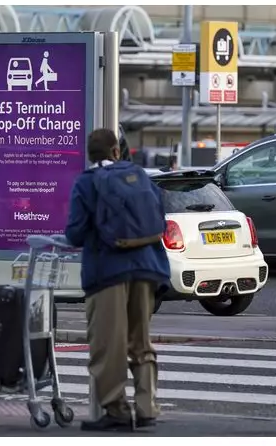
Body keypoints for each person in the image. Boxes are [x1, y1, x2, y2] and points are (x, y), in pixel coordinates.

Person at [65, 128, 171, 432]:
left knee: (108, 344)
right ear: (116, 151)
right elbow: (158, 217)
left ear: (90, 154)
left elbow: (74, 232)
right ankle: (147, 406)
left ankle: (116, 409)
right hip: (147, 269)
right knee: (141, 340)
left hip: (107, 272)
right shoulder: (139, 175)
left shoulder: (86, 183)